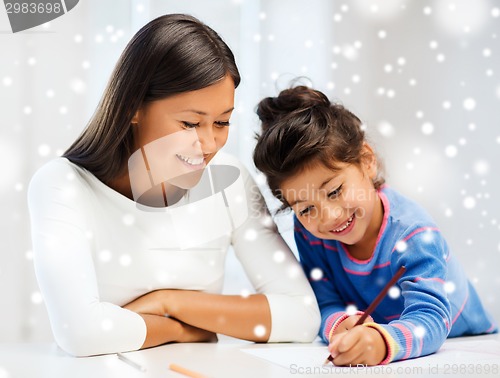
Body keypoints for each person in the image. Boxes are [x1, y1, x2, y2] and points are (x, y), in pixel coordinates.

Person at [27, 14, 320, 357]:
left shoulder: (229, 182)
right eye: (190, 123)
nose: (209, 143)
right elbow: (79, 334)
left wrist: (169, 302)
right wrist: (188, 330)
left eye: (222, 122)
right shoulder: (62, 186)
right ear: (133, 108)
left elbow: (301, 318)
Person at [252, 85, 497, 366]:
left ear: (366, 161)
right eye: (306, 208)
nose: (328, 216)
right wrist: (338, 324)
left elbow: (431, 319)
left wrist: (381, 342)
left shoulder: (414, 233)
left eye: (334, 191)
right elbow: (324, 302)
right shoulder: (309, 234)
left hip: (467, 345)